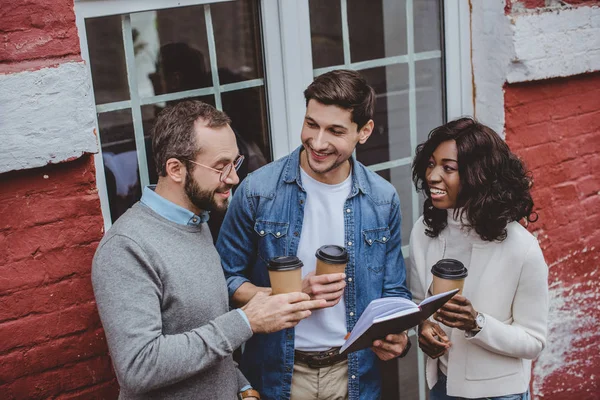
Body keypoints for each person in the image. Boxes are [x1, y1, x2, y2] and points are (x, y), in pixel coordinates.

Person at [92, 100, 325, 400]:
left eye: (234, 163)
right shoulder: (126, 248)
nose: (234, 178)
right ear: (175, 169)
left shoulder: (198, 223)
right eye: (220, 167)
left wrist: (242, 387)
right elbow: (139, 366)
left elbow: (207, 334)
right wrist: (246, 322)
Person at [216, 69, 412, 400]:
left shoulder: (383, 198)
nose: (317, 142)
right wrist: (289, 295)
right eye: (311, 124)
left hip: (355, 374)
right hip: (277, 372)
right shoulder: (257, 191)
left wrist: (399, 335)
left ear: (363, 132)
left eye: (335, 131)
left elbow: (393, 291)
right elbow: (223, 280)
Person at [407, 117, 549, 400]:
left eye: (448, 168)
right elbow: (417, 303)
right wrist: (423, 326)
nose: (432, 176)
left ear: (478, 175)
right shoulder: (425, 230)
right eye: (431, 163)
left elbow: (534, 342)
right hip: (441, 387)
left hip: (499, 394)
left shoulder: (522, 248)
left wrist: (477, 323)